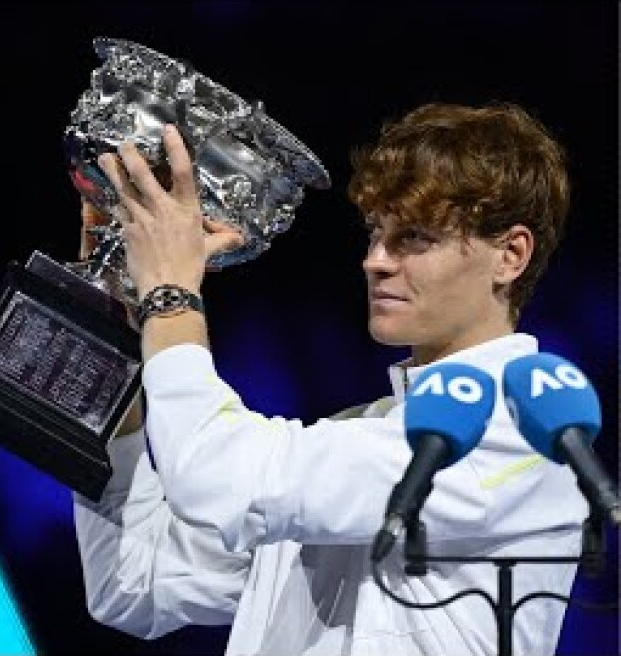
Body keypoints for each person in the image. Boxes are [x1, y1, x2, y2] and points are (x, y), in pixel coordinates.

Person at [73, 102, 586, 655]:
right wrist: (115, 333)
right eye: (375, 232)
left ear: (510, 256)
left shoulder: (516, 432)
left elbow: (216, 476)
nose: (375, 260)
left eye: (413, 237)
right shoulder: (362, 435)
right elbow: (135, 582)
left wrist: (170, 295)